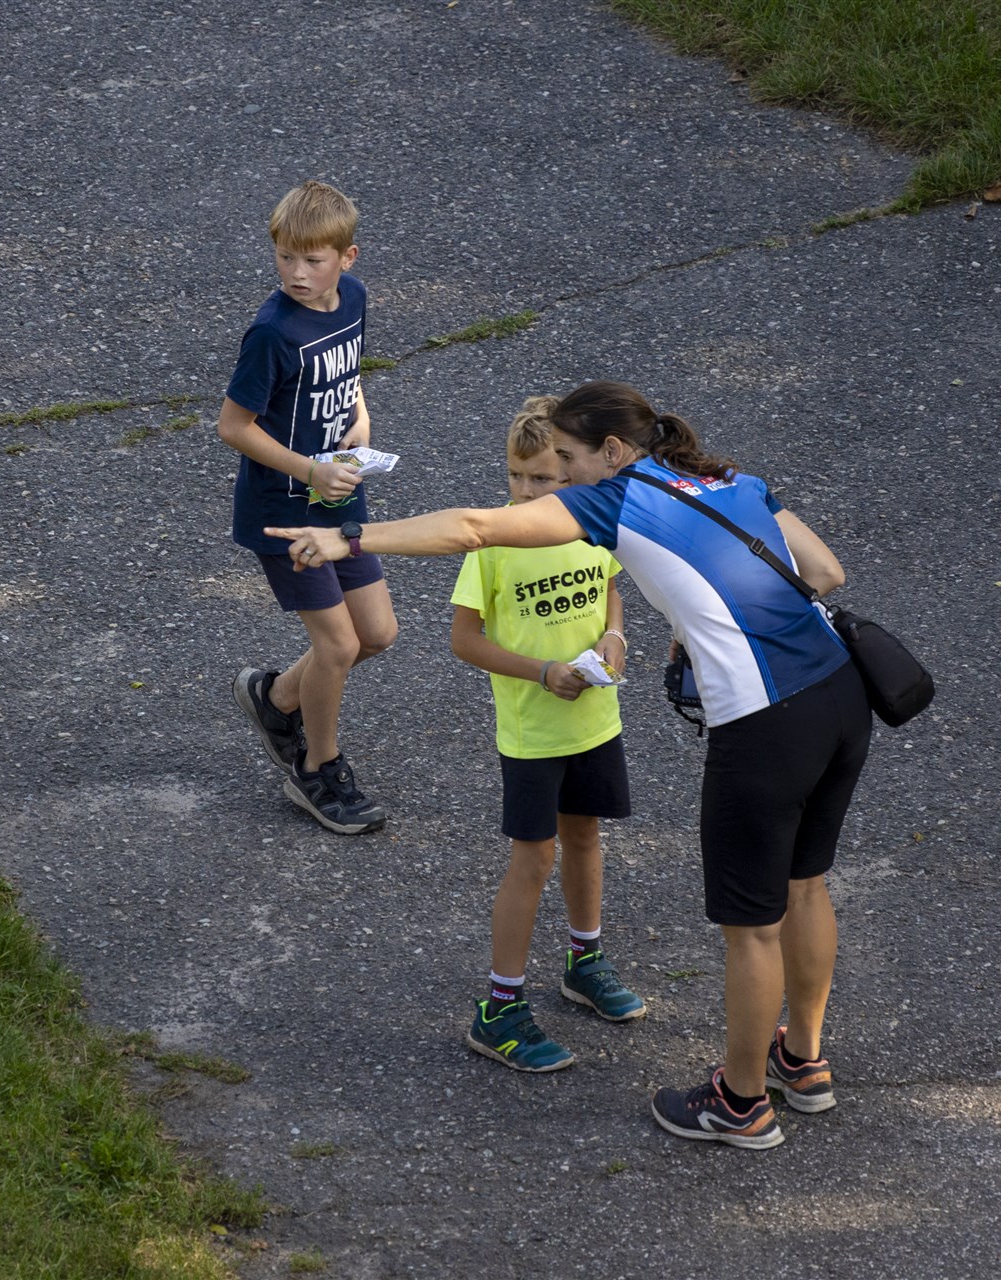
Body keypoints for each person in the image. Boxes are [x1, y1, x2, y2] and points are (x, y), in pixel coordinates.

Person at [268, 380, 871, 1150]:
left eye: (571, 459)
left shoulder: (614, 499)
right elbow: (825, 572)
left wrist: (349, 539)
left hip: (766, 727)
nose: (565, 474)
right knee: (806, 884)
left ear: (613, 453)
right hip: (839, 698)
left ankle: (741, 1105)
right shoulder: (728, 479)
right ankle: (804, 1063)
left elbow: (477, 527)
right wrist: (703, 624)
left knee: (752, 929)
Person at [451, 397, 643, 1074]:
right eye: (517, 476)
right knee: (532, 861)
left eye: (544, 479)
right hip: (533, 732)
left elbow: (612, 588)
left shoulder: (593, 525)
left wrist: (615, 635)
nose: (527, 492)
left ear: (572, 478)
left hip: (594, 719)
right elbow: (464, 639)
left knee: (587, 835)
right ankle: (499, 1009)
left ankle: (584, 963)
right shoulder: (495, 540)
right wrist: (541, 670)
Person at [219, 179, 397, 835]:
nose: (297, 273)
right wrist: (308, 469)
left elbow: (347, 372)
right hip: (285, 508)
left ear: (347, 258)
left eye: (313, 260)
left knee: (376, 635)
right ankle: (317, 771)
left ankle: (276, 698)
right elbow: (233, 426)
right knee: (338, 644)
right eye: (285, 258)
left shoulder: (353, 298)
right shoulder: (271, 333)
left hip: (340, 493)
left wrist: (360, 412)